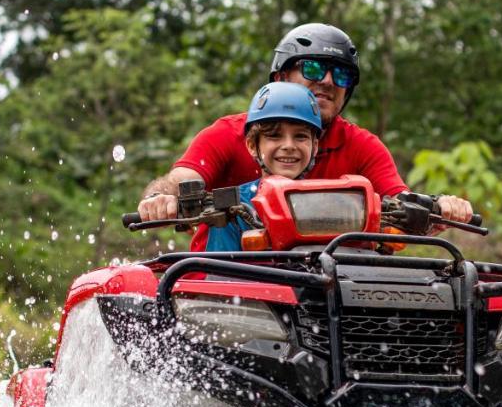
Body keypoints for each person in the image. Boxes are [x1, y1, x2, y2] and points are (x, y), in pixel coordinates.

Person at [136, 23, 472, 250]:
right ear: (253, 144)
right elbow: (182, 179)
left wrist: (437, 211)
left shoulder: (362, 145)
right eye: (312, 68)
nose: (327, 80)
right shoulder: (228, 132)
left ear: (315, 148)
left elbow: (401, 202)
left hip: (332, 286)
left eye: (340, 74)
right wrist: (160, 200)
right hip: (230, 284)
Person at [201, 81, 324, 251]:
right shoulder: (231, 207)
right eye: (274, 136)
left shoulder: (327, 202)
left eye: (300, 136)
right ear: (252, 146)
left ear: (315, 147)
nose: (289, 145)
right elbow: (221, 276)